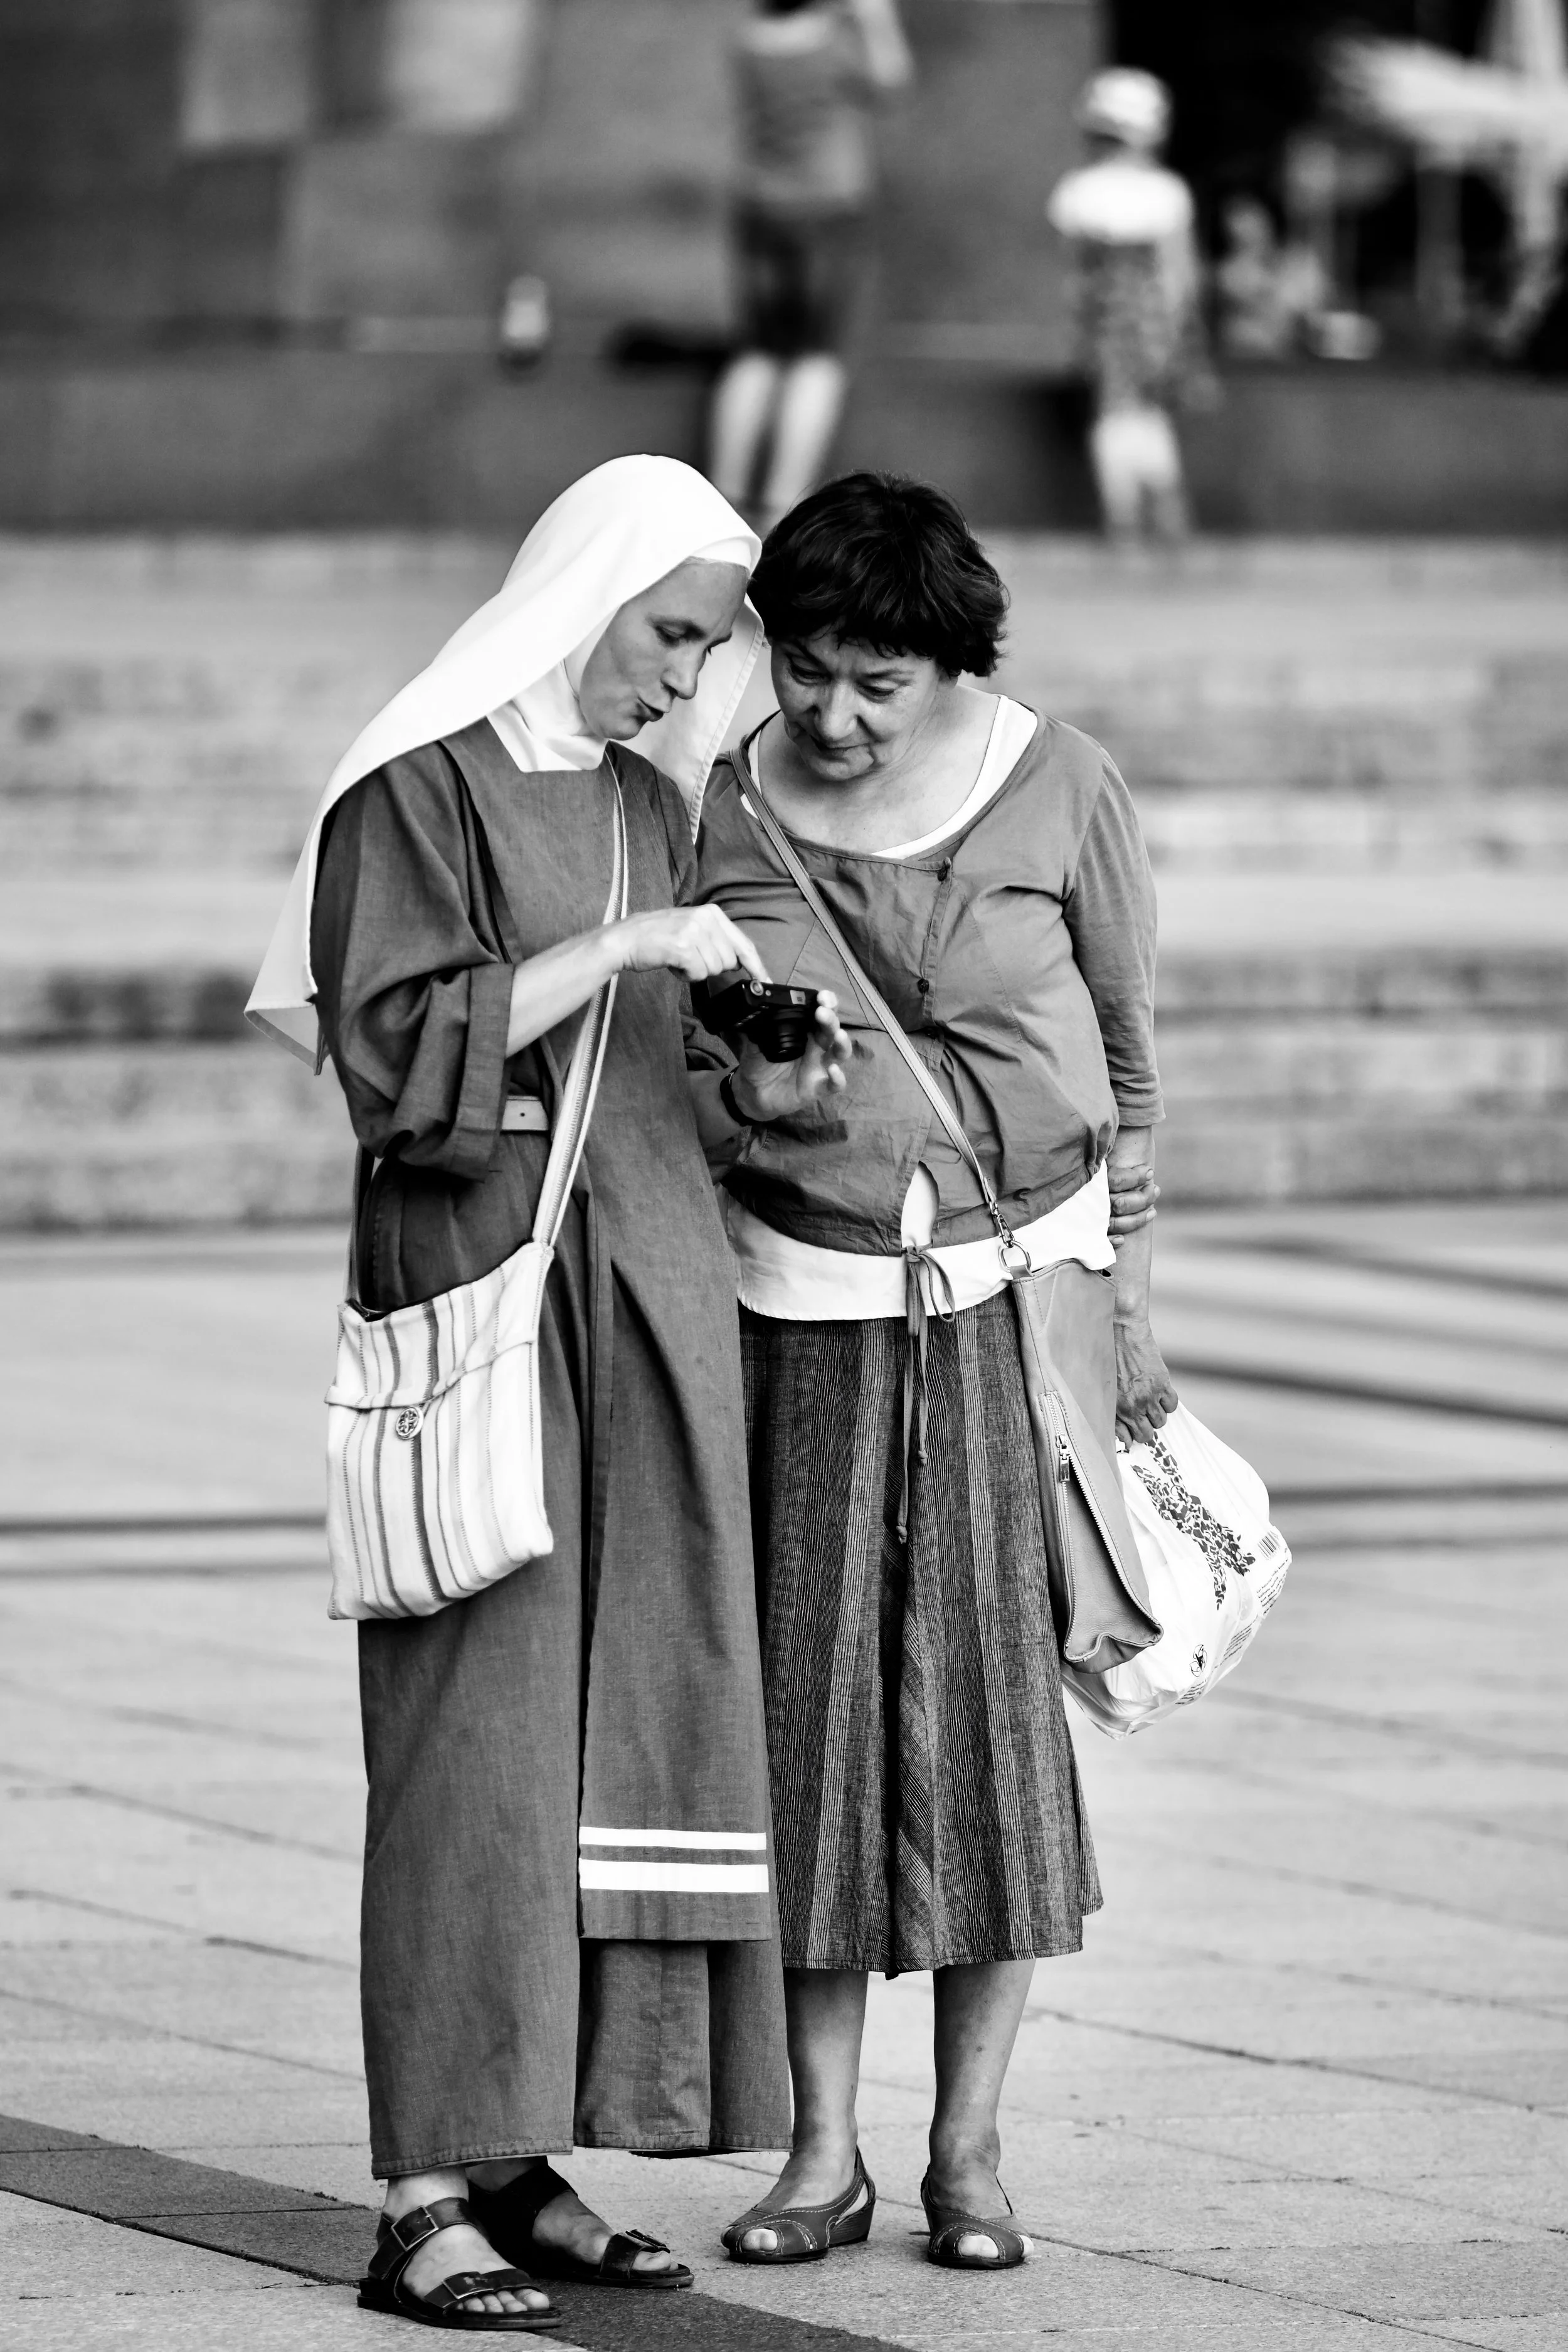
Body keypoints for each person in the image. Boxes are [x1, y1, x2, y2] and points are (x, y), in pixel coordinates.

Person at [246, 457, 850, 2332]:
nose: (683, 680)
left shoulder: (647, 802)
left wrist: (770, 1064)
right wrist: (625, 948)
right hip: (492, 1296)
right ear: (582, 595)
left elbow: (661, 1063)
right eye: (669, 635)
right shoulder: (409, 784)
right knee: (473, 1749)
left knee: (616, 1740)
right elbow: (396, 1052)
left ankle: (527, 2150)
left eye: (700, 647)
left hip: (653, 1303)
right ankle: (423, 2179)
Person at [692, 472, 1175, 2272]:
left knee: (985, 1733)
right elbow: (681, 1065)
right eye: (804, 666)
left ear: (953, 664)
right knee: (808, 1727)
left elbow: (1126, 1067)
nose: (829, 711)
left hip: (1006, 1310)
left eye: (874, 681)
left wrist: (1128, 1311)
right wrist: (757, 1095)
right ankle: (820, 2151)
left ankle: (968, 2149)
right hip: (796, 1302)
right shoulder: (721, 802)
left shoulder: (1063, 783)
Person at [709, 0, 913, 532]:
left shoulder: (749, 39)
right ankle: (781, 506)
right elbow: (891, 83)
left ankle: (721, 499)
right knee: (817, 359)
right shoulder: (835, 40)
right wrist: (875, 18)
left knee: (759, 353)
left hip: (759, 206)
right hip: (832, 211)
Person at [1047, 68, 1210, 546]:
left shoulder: (1076, 192)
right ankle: (1162, 509)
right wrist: (1182, 333)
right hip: (1155, 322)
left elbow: (1073, 275)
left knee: (1114, 414)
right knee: (1144, 415)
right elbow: (1181, 273)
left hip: (1104, 323)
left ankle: (1127, 515)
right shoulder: (1167, 193)